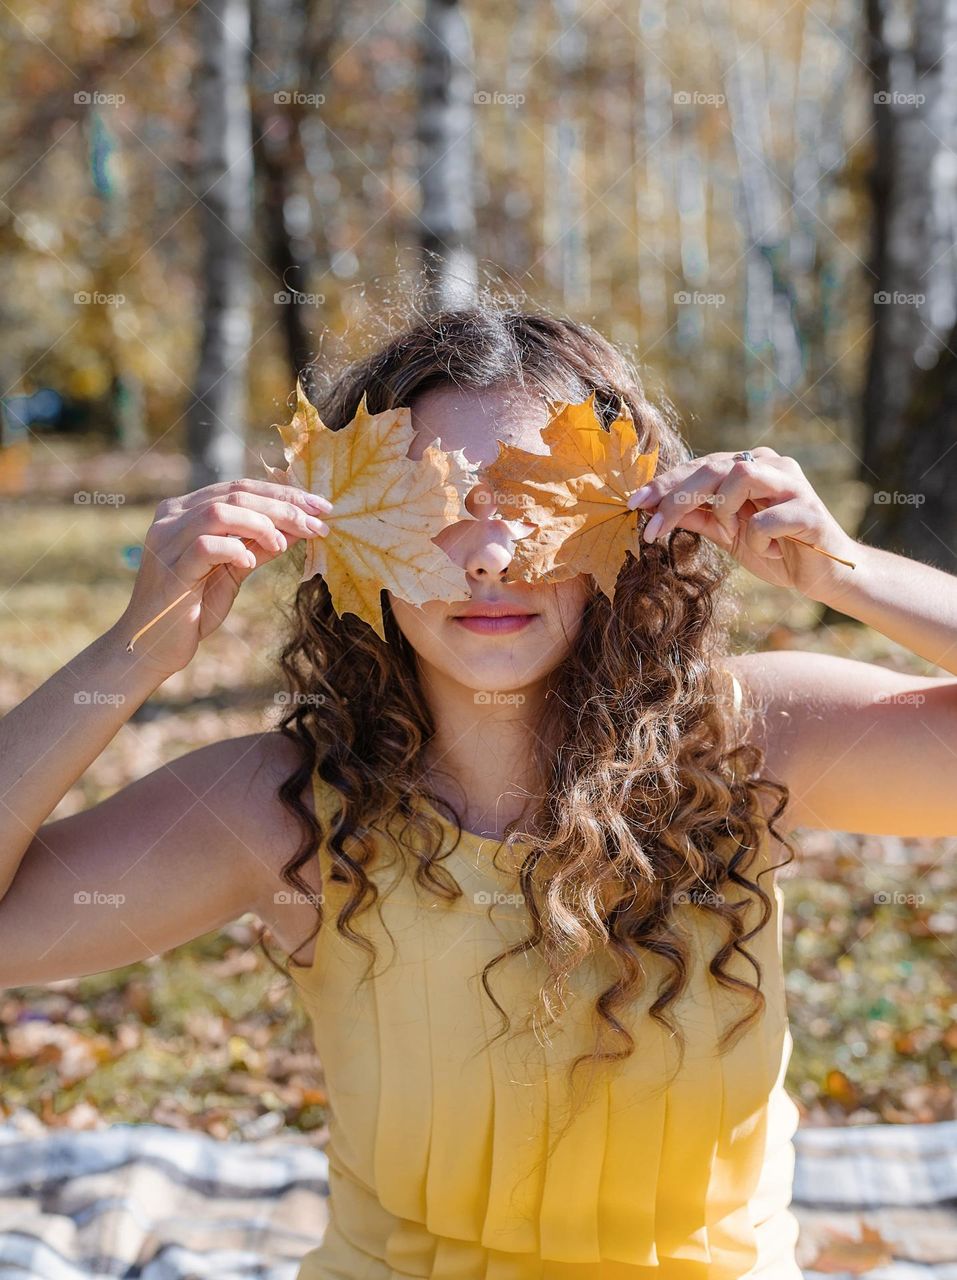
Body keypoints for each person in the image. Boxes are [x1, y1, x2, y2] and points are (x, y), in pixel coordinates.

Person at [2, 303, 955, 1280]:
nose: (490, 551)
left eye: (538, 497)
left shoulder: (746, 741)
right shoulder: (283, 805)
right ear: (344, 532)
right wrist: (132, 652)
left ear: (634, 521)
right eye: (426, 502)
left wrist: (848, 571)